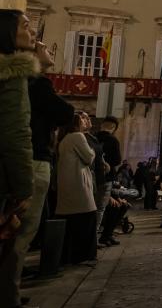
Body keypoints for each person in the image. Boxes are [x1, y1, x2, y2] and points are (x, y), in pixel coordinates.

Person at [13, 42, 73, 290]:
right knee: (24, 230)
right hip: (35, 159)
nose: (49, 48)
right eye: (41, 46)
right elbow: (65, 112)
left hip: (31, 157)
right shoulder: (37, 83)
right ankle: (9, 291)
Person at [0, 10, 39, 308]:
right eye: (26, 26)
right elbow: (16, 134)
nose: (33, 31)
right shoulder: (12, 73)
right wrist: (25, 187)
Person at [55, 112, 98, 265]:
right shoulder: (78, 137)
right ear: (76, 122)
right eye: (84, 118)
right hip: (78, 183)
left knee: (71, 221)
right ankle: (83, 255)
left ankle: (69, 255)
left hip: (68, 183)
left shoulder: (64, 138)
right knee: (86, 218)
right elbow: (89, 157)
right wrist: (93, 150)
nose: (87, 121)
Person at [94, 116, 122, 232]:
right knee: (100, 208)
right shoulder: (113, 140)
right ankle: (94, 238)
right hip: (106, 178)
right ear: (114, 127)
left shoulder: (93, 137)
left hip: (92, 176)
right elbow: (117, 160)